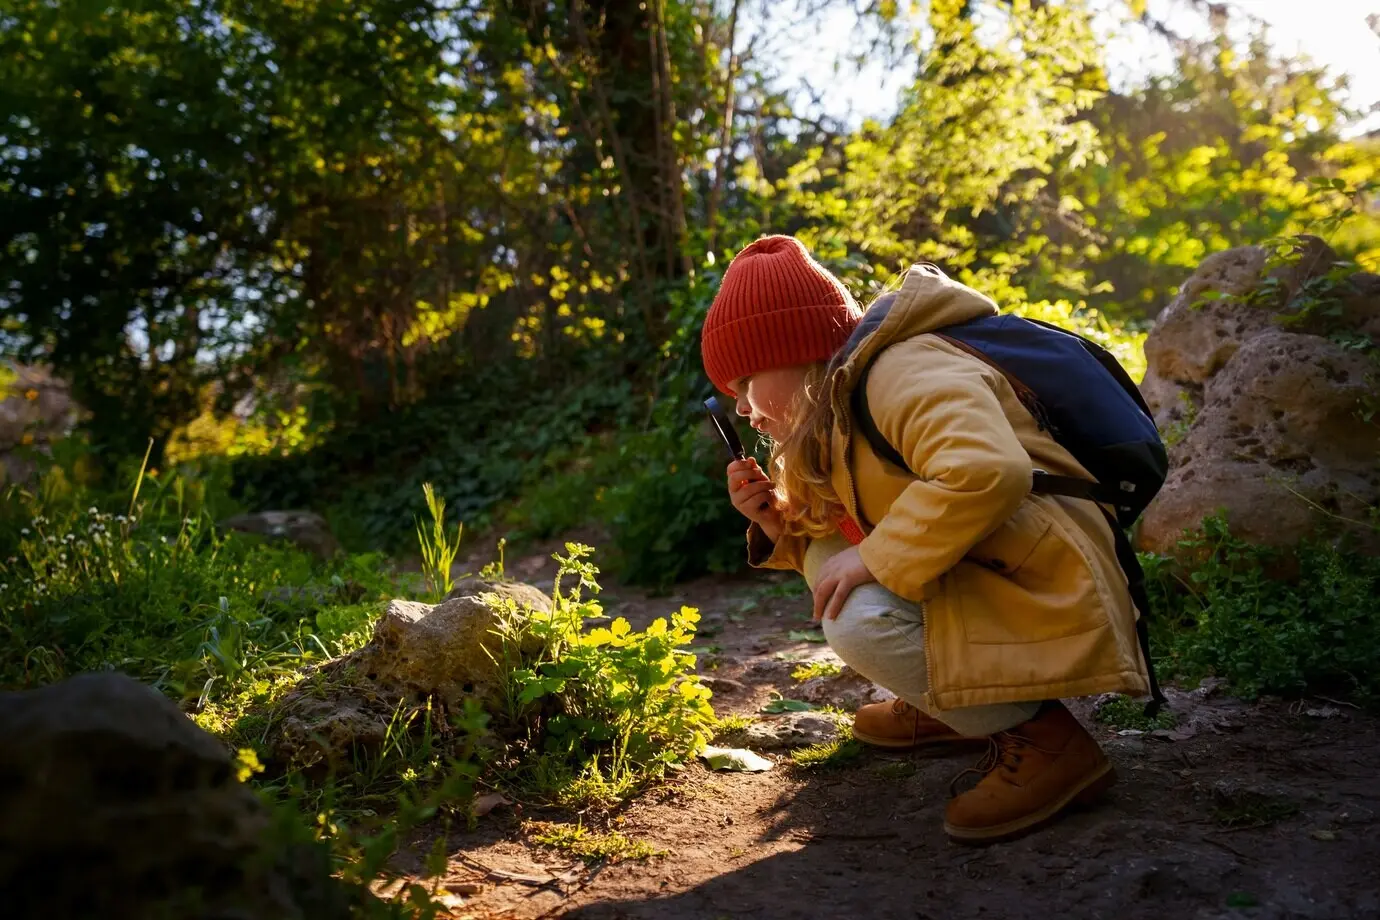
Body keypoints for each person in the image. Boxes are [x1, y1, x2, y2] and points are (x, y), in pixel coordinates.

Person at [700, 235, 1150, 844]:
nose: (747, 409)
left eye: (747, 380)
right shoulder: (843, 405)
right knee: (837, 567)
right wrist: (778, 521)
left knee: (858, 618)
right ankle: (953, 701)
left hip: (1049, 573)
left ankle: (1050, 746)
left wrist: (876, 556)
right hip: (995, 564)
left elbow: (986, 470)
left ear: (795, 350)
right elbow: (850, 530)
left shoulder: (901, 371)